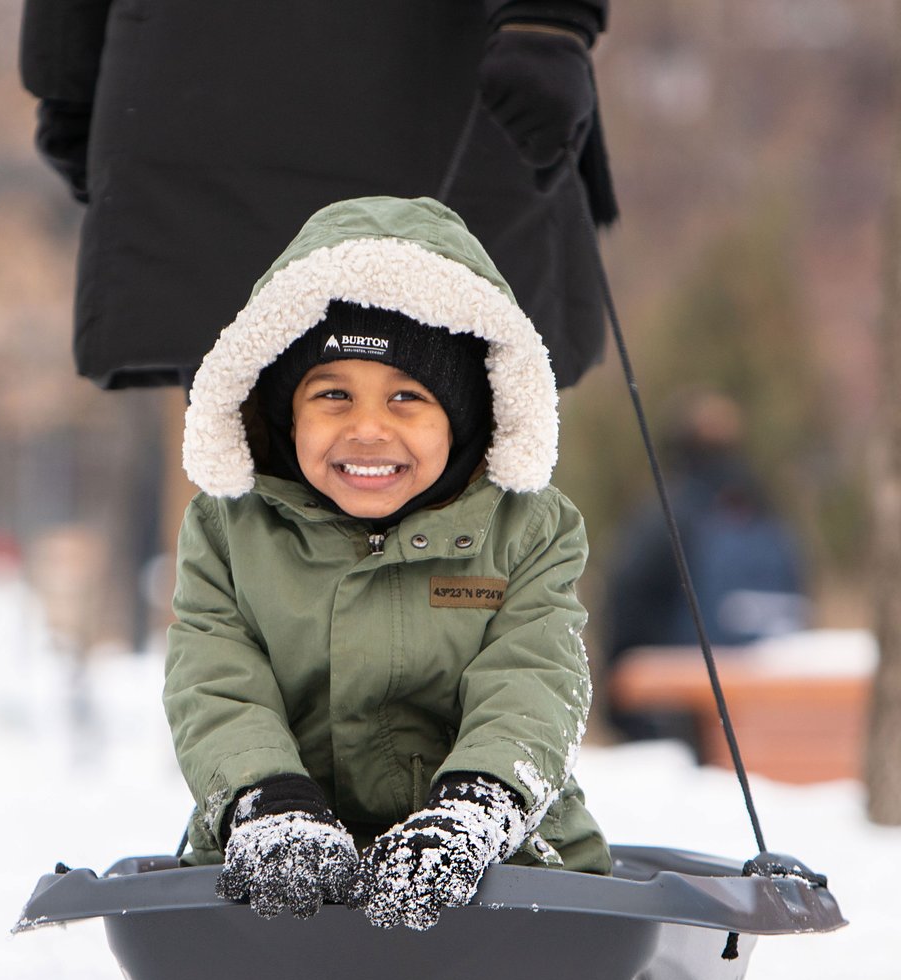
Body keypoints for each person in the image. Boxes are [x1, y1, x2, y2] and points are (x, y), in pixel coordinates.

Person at [163, 195, 611, 934]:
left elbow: (534, 678)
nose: (367, 428)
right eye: (332, 395)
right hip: (283, 870)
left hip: (502, 866)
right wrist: (265, 801)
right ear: (285, 413)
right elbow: (214, 679)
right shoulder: (229, 530)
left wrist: (476, 809)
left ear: (462, 419)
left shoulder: (527, 530)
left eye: (407, 397)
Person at [19, 0, 617, 392]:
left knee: (266, 474)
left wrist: (68, 81)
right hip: (433, 97)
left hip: (196, 98)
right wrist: (548, 20)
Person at [605, 390, 810, 742]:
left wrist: (620, 713)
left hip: (681, 726)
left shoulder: (666, 517)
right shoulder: (771, 516)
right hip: (772, 725)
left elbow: (625, 608)